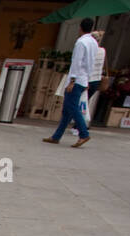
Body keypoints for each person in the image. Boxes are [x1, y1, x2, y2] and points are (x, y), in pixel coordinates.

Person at [42, 18, 97, 147]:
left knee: (72, 107)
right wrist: (88, 79)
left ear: (80, 28)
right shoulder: (93, 42)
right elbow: (91, 63)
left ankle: (83, 133)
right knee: (67, 110)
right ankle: (56, 136)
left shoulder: (81, 42)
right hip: (84, 78)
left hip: (76, 79)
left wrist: (72, 80)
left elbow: (77, 62)